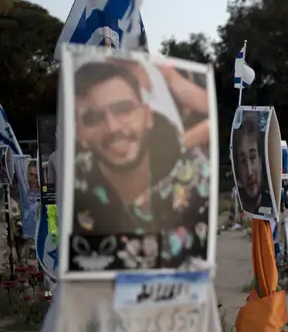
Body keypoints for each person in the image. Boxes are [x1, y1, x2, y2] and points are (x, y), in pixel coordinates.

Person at [71, 60, 211, 267]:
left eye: (124, 110)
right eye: (93, 118)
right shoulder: (74, 188)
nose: (112, 127)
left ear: (147, 116)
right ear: (79, 132)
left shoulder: (196, 175)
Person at [233, 110, 272, 215]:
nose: (249, 172)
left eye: (253, 157)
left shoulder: (272, 204)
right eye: (243, 161)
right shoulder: (238, 205)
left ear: (261, 159)